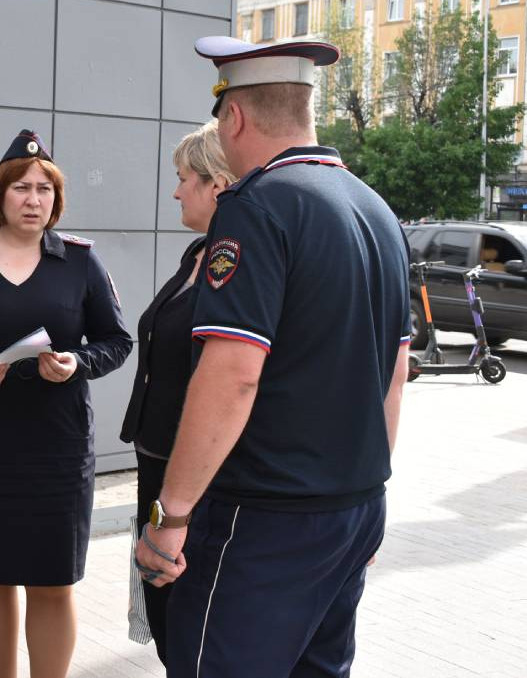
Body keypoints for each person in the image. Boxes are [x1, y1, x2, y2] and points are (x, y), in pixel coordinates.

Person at [134, 37, 411, 678]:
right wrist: (366, 494)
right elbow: (394, 372)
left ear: (233, 117)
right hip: (352, 505)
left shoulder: (256, 206)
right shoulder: (377, 211)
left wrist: (171, 515)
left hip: (262, 519)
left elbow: (232, 374)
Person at [0, 130, 132, 678]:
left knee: (53, 580)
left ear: (56, 200)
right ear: (0, 197)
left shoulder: (80, 262)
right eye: (21, 189)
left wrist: (76, 364)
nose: (34, 200)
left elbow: (116, 341)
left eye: (44, 190)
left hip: (57, 449)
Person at [118, 119, 235, 664]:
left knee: (193, 632)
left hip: (193, 479)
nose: (175, 189)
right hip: (156, 461)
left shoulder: (232, 263)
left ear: (216, 185)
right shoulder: (196, 256)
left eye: (185, 177)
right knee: (168, 628)